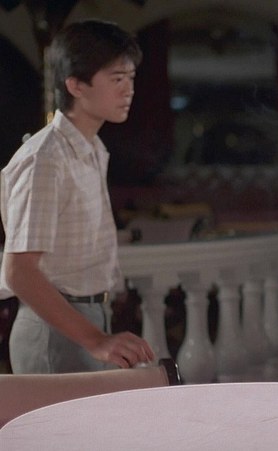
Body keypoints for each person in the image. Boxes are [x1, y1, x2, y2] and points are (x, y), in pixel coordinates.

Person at [0, 19, 155, 373]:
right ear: (76, 85)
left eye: (131, 78)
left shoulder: (91, 148)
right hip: (55, 326)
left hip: (87, 317)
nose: (129, 90)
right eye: (117, 79)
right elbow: (19, 272)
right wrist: (95, 340)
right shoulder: (45, 159)